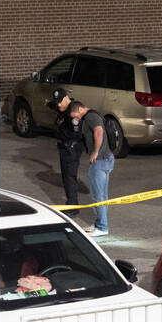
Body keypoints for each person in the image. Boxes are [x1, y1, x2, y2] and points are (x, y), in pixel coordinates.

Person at [69, 101, 114, 237]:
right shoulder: (92, 115)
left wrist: (95, 151)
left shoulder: (90, 117)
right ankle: (99, 222)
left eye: (75, 115)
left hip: (99, 161)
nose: (75, 119)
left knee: (98, 195)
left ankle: (102, 227)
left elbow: (98, 132)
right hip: (106, 159)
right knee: (103, 195)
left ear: (80, 109)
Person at [49, 88, 84, 218]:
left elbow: (75, 133)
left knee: (70, 177)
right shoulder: (62, 110)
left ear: (66, 98)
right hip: (65, 148)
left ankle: (72, 206)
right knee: (66, 177)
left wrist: (61, 134)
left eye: (60, 102)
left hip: (71, 149)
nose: (58, 105)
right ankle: (70, 202)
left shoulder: (73, 111)